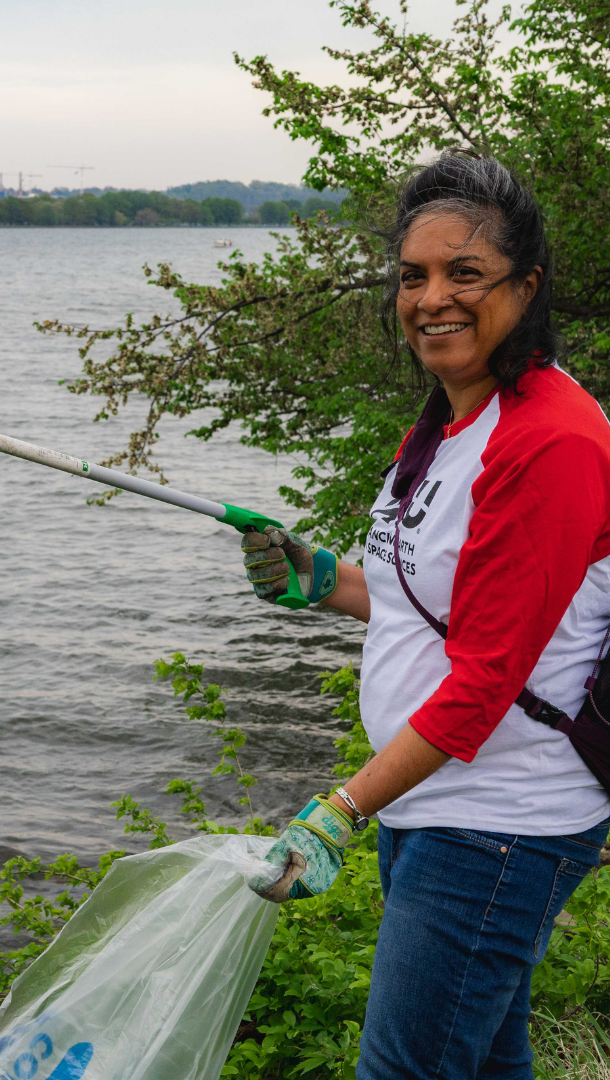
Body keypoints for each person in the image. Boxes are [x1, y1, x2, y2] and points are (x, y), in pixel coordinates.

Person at [241, 152, 610, 1080]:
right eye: (414, 276)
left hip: (500, 822)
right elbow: (430, 603)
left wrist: (338, 812)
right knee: (485, 1065)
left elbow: (485, 679)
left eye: (466, 273)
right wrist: (326, 580)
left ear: (526, 287)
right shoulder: (448, 421)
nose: (432, 298)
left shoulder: (551, 442)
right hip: (437, 806)